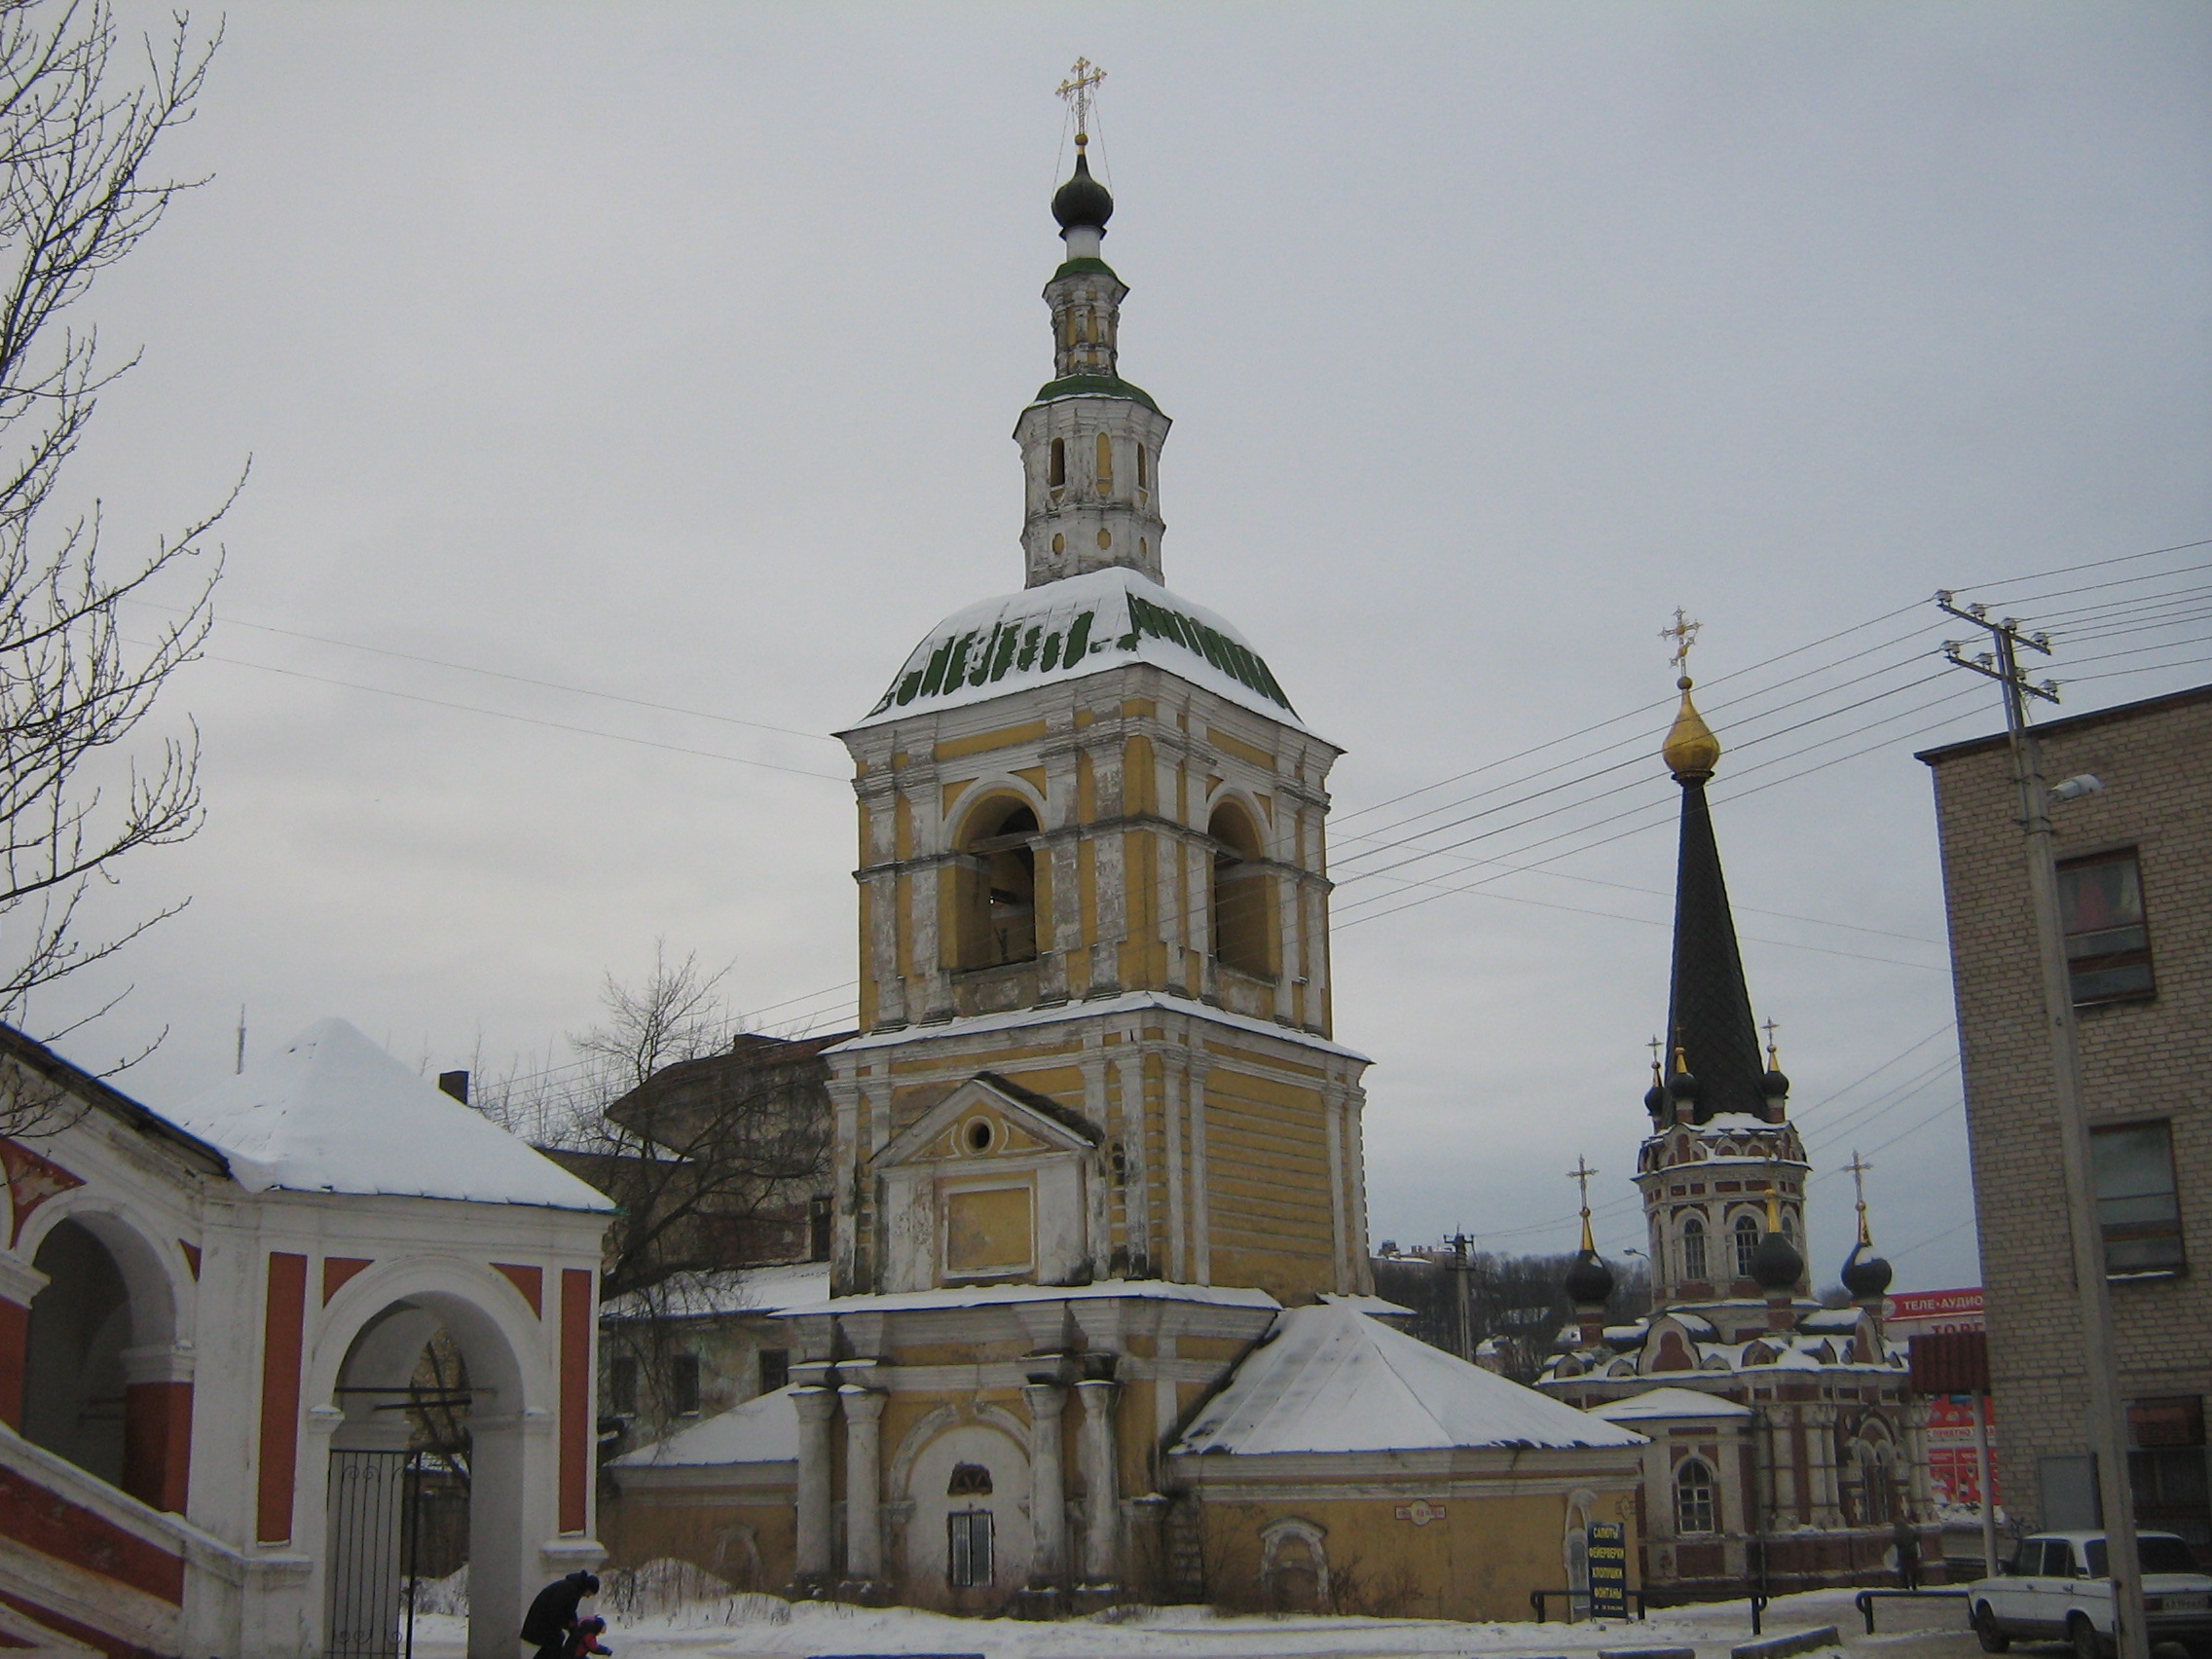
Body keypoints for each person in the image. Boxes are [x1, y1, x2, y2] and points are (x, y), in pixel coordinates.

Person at [520, 1570, 600, 1659]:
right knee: (555, 1641)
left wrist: (573, 1628)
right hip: (539, 1623)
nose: (588, 1596)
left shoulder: (573, 1588)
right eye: (590, 1593)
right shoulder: (571, 1590)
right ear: (588, 1588)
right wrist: (569, 1625)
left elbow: (569, 1612)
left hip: (540, 1622)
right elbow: (556, 1610)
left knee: (554, 1643)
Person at [1892, 1518, 1922, 1591]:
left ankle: (1906, 1586)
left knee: (1904, 1569)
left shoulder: (1897, 1532)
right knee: (1914, 1569)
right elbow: (1917, 1537)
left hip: (1903, 1553)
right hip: (1913, 1552)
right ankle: (1914, 1585)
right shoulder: (1911, 1529)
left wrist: (1901, 1545)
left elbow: (1894, 1541)